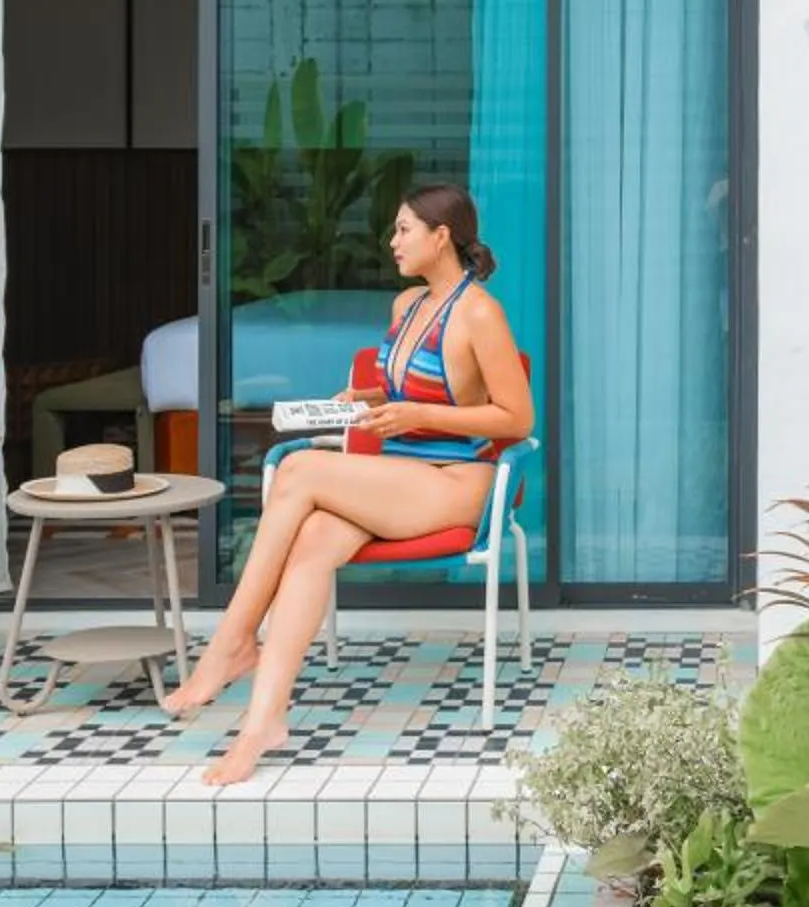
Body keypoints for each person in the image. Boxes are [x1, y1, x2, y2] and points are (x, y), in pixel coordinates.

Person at [161, 183, 535, 787]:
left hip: (455, 480)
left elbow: (517, 419)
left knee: (300, 469)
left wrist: (421, 417)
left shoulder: (480, 314)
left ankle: (231, 641)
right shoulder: (408, 306)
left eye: (403, 230)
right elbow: (414, 391)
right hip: (399, 476)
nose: (392, 243)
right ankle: (263, 723)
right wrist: (371, 399)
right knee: (312, 540)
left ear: (442, 237)